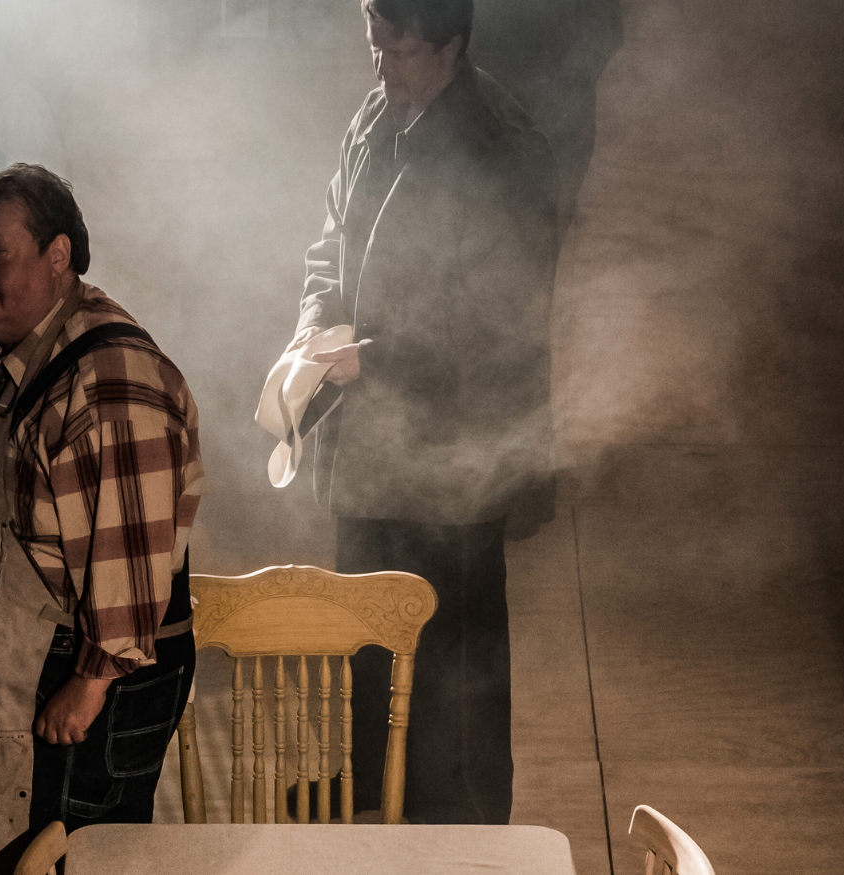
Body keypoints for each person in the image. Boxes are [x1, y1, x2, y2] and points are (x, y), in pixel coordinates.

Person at [284, 0, 558, 825]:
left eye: (400, 53)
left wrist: (377, 355)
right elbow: (331, 241)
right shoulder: (377, 114)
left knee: (452, 649)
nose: (382, 70)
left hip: (459, 459)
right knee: (367, 617)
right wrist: (313, 321)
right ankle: (370, 772)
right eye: (374, 48)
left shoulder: (503, 146)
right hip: (371, 437)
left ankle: (465, 819)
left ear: (453, 47)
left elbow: (501, 318)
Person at [0, 164, 203, 874]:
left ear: (58, 255)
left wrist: (90, 684)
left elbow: (131, 549)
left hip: (83, 683)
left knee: (65, 861)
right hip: (13, 669)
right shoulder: (11, 348)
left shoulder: (111, 379)